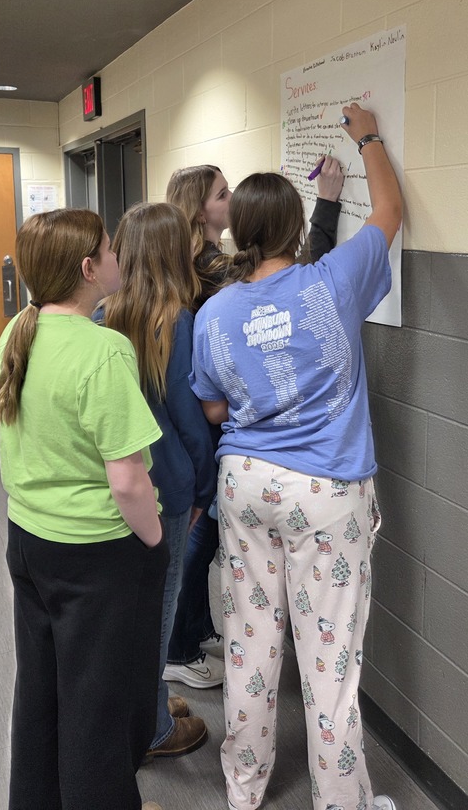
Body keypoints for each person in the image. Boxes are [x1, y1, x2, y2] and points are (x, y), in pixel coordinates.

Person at [189, 103, 401, 810]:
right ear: (295, 227)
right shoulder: (331, 282)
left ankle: (243, 790)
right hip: (326, 491)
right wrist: (368, 136)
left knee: (250, 646)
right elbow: (390, 211)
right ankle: (341, 801)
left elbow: (212, 407)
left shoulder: (215, 311)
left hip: (245, 484)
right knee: (329, 661)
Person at [0, 208, 168, 810]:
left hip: (28, 541)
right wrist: (155, 541)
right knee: (99, 707)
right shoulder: (105, 350)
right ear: (90, 269)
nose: (119, 257)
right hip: (96, 552)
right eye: (110, 249)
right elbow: (129, 481)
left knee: (41, 693)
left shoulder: (17, 332)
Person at [164, 160, 344, 688]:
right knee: (202, 538)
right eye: (223, 194)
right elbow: (292, 278)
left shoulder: (195, 260)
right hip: (218, 421)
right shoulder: (213, 268)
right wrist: (326, 207)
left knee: (205, 537)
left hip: (213, 416)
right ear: (200, 210)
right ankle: (179, 648)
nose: (231, 199)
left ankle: (193, 630)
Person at [98, 202, 216, 757]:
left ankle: (150, 702)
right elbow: (190, 423)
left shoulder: (102, 315)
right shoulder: (176, 319)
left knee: (129, 609)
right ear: (173, 254)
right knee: (158, 614)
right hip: (168, 485)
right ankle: (152, 730)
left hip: (119, 488)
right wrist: (204, 491)